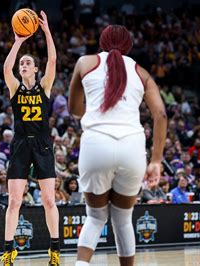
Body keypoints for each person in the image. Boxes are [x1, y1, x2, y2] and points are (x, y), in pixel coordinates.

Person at [68, 25, 167, 266]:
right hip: (132, 147)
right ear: (129, 46)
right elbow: (161, 115)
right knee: (123, 219)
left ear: (101, 43)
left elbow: (75, 110)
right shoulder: (141, 72)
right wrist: (155, 160)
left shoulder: (84, 63)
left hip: (96, 145)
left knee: (95, 217)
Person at [0, 11, 60, 266]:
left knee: (48, 200)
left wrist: (46, 32)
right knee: (14, 201)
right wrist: (17, 42)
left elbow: (54, 60)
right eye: (21, 63)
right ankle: (8, 251)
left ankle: (54, 250)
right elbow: (5, 68)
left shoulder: (44, 85)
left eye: (27, 63)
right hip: (22, 143)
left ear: (35, 69)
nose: (23, 66)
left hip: (43, 143)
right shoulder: (14, 87)